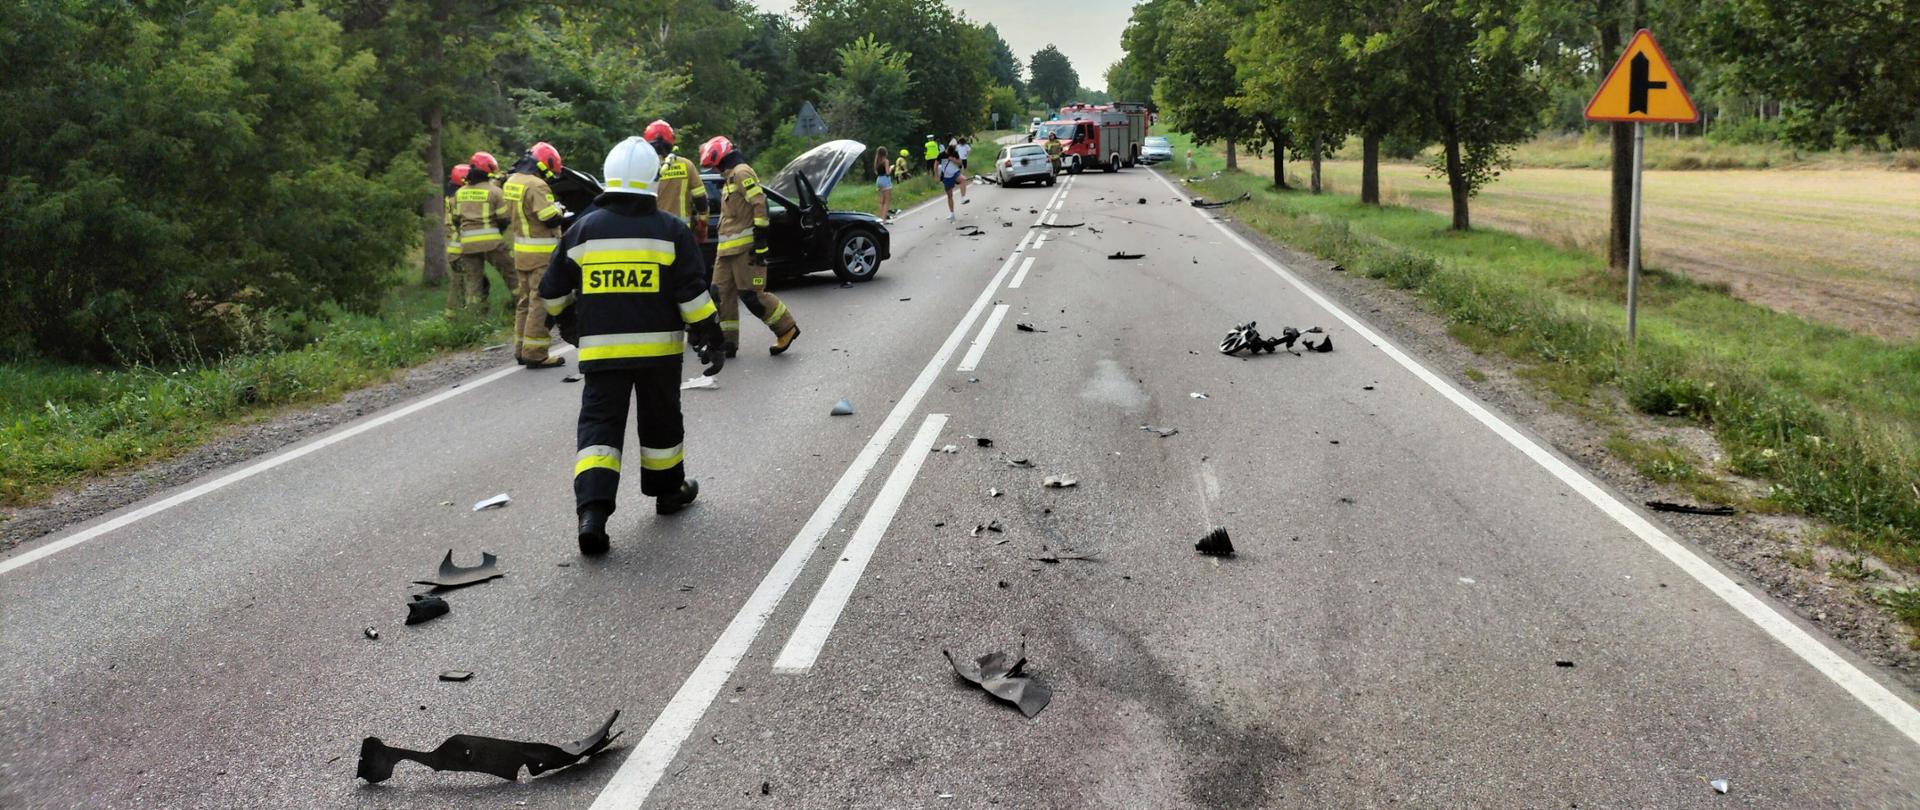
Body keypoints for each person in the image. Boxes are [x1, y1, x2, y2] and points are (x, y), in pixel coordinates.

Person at [539, 136, 725, 554]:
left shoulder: (582, 231)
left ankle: (593, 513)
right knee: (661, 424)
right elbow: (692, 295)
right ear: (652, 182)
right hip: (658, 355)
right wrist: (709, 337)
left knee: (599, 430)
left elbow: (551, 293)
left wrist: (570, 321)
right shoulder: (671, 230)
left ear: (609, 177)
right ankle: (668, 492)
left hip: (602, 356)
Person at [699, 135, 800, 357]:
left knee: (752, 295)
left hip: (745, 251)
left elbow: (759, 204)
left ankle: (786, 328)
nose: (714, 168)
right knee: (719, 295)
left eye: (715, 164)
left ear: (722, 157)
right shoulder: (729, 179)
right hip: (725, 252)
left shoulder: (742, 172)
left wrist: (761, 240)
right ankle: (727, 342)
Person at [502, 142, 569, 368]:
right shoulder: (537, 185)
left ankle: (521, 349)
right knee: (539, 302)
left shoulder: (512, 182)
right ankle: (535, 353)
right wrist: (560, 209)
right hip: (541, 254)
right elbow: (549, 217)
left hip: (521, 253)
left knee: (524, 302)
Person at [451, 151, 511, 317]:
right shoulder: (495, 192)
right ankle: (520, 307)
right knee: (511, 274)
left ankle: (475, 319)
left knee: (473, 284)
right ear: (489, 173)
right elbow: (504, 218)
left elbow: (455, 218)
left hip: (468, 245)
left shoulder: (460, 192)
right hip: (492, 243)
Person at [643, 120, 709, 247]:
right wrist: (703, 223)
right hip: (682, 231)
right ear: (671, 141)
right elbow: (700, 198)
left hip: (652, 233)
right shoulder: (686, 165)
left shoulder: (641, 167)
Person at [442, 163, 469, 311]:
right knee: (463, 286)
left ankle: (454, 315)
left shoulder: (451, 196)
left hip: (454, 250)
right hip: (460, 251)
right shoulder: (458, 199)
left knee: (458, 285)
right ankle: (457, 316)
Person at [938, 145, 966, 221]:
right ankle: (952, 213)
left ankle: (963, 198)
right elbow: (936, 163)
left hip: (955, 173)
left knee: (963, 179)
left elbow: (960, 163)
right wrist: (935, 174)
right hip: (946, 177)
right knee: (949, 195)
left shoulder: (955, 153)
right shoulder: (941, 155)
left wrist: (953, 159)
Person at [873, 146, 894, 223]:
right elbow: (888, 173)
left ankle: (880, 218)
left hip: (879, 180)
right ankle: (884, 219)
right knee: (887, 201)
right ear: (885, 153)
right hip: (885, 179)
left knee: (881, 201)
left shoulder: (877, 162)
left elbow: (876, 172)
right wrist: (891, 168)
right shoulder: (885, 161)